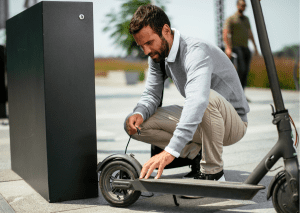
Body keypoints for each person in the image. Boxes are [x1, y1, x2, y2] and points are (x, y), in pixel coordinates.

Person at [124, 5, 249, 181]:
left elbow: (198, 100)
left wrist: (170, 151)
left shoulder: (195, 51)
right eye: (141, 45)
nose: (146, 51)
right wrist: (139, 112)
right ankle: (198, 156)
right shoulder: (157, 56)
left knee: (206, 97)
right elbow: (152, 94)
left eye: (149, 42)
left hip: (232, 123)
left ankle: (213, 173)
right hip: (204, 119)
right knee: (137, 125)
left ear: (165, 30)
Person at [223, 0, 259, 94]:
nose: (244, 7)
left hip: (245, 48)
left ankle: (241, 94)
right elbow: (226, 33)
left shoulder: (246, 19)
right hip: (236, 48)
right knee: (241, 69)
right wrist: (228, 48)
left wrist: (255, 47)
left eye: (245, 6)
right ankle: (235, 93)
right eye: (242, 5)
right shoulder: (231, 19)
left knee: (246, 71)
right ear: (237, 5)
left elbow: (250, 33)